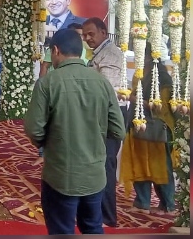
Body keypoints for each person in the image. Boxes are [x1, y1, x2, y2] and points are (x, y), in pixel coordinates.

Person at [24, 29, 126, 235]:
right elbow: (118, 130)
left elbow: (34, 129)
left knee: (62, 230)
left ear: (55, 50)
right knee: (93, 228)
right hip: (95, 175)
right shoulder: (102, 83)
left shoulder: (47, 83)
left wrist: (50, 143)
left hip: (61, 174)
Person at [119, 41, 178, 216]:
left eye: (140, 55)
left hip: (157, 130)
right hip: (138, 127)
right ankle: (142, 202)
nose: (137, 58)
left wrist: (135, 99)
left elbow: (163, 109)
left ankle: (168, 204)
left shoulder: (162, 76)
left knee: (161, 168)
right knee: (139, 166)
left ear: (150, 56)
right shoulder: (140, 73)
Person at [82, 16, 125, 228]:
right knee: (99, 164)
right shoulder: (99, 53)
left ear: (103, 33)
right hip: (99, 116)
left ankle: (108, 217)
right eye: (85, 35)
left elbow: (106, 90)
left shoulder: (111, 54)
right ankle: (97, 212)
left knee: (106, 166)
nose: (88, 38)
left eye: (91, 34)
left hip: (108, 116)